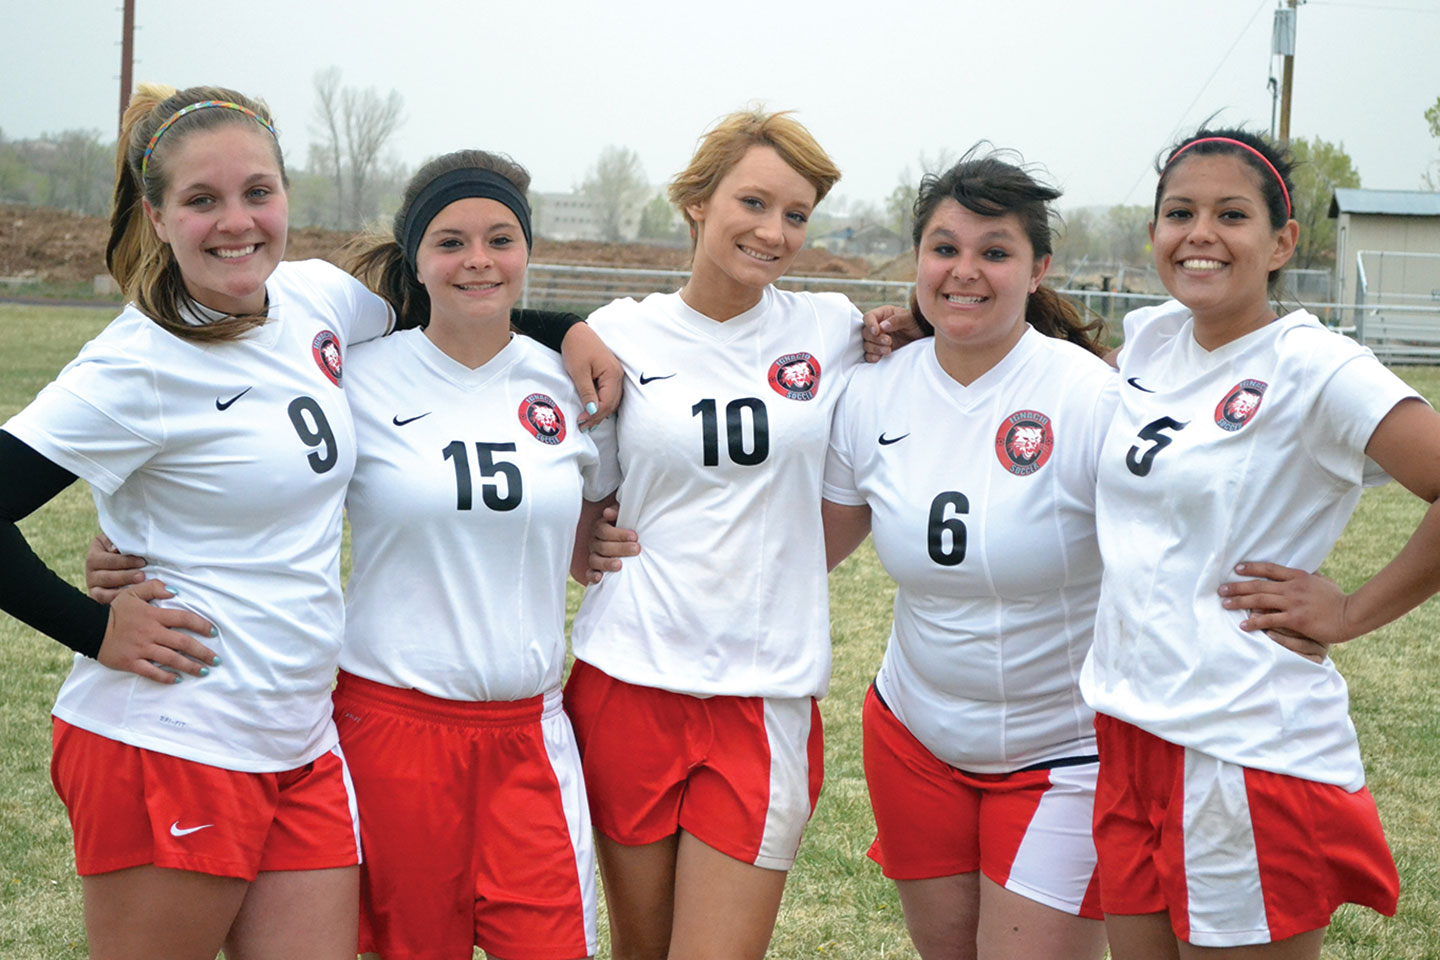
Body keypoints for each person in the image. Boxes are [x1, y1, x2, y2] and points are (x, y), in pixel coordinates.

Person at [4, 84, 616, 960]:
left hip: (303, 740)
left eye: (257, 193)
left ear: (286, 195)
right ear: (157, 214)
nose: (236, 223)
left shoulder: (318, 300)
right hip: (172, 736)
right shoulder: (135, 363)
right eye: (201, 201)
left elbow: (457, 308)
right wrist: (93, 626)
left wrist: (573, 332)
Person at [1080, 128, 1435, 958]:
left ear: (1282, 242)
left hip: (1240, 747)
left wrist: (1348, 611)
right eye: (1179, 213)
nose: (1199, 234)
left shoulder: (1316, 365)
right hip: (1130, 730)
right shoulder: (1153, 339)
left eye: (1230, 214)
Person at [563, 108, 864, 960]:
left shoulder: (835, 330)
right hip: (627, 678)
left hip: (761, 697)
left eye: (796, 214)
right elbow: (578, 484)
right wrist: (582, 541)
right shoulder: (618, 332)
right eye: (754, 202)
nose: (774, 231)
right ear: (698, 202)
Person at [821, 152, 1113, 960]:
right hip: (914, 742)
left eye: (995, 251)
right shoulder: (873, 390)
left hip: (1063, 754)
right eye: (944, 248)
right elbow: (803, 550)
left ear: (1039, 267)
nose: (965, 271)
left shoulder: (1090, 396)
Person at [332, 149, 616, 960]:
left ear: (528, 251)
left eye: (501, 238)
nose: (479, 260)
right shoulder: (355, 380)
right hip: (392, 732)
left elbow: (600, 524)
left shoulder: (572, 383)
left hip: (530, 732)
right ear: (417, 258)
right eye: (452, 242)